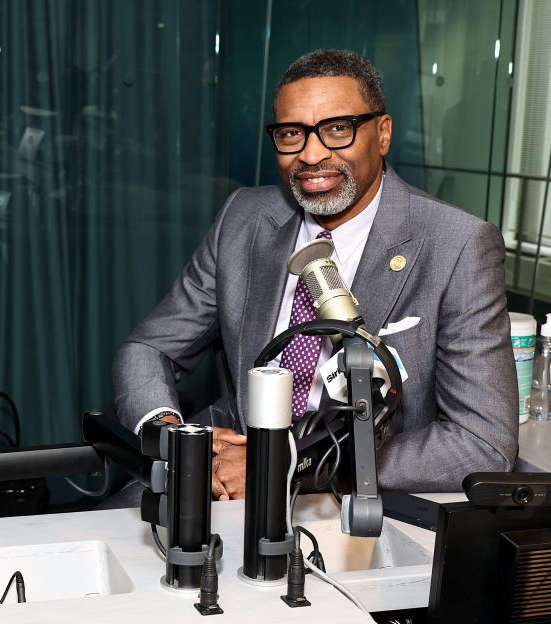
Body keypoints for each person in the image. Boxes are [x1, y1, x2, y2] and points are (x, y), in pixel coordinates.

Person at [112, 49, 518, 500]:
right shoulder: (244, 218)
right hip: (221, 464)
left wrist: (282, 466)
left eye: (338, 128)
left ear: (383, 133)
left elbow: (482, 443)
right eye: (292, 133)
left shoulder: (457, 243)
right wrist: (170, 435)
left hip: (351, 490)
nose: (311, 154)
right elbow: (149, 348)